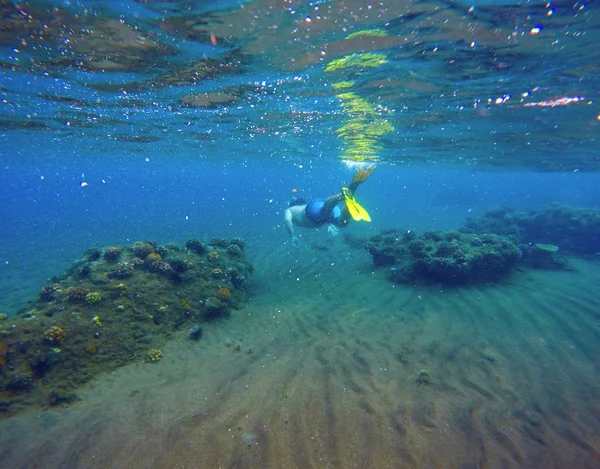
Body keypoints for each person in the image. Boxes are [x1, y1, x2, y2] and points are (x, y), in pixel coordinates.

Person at [284, 166, 375, 248]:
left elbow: (287, 220)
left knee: (324, 211)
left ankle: (341, 195)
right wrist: (330, 225)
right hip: (320, 211)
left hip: (312, 212)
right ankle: (348, 195)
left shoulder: (289, 210)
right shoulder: (301, 206)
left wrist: (293, 236)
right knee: (342, 223)